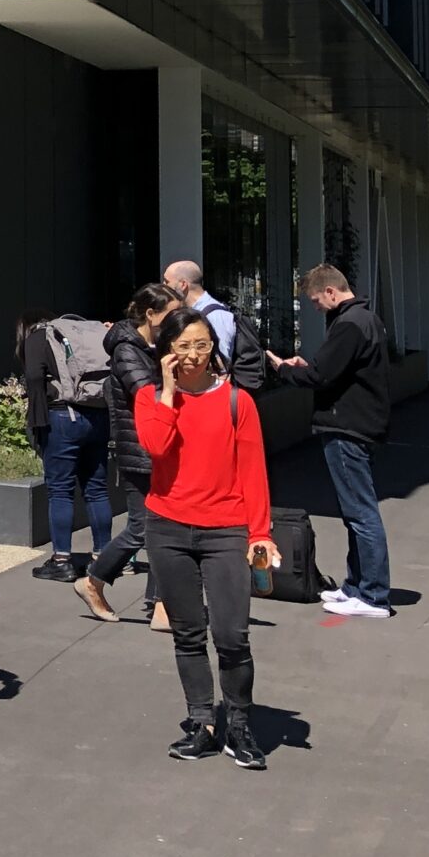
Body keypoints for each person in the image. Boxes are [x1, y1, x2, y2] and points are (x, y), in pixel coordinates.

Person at [137, 305, 276, 768]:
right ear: (166, 353)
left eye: (202, 344)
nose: (194, 355)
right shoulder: (150, 398)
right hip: (168, 526)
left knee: (232, 634)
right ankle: (203, 721)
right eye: (183, 347)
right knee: (188, 634)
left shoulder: (239, 401)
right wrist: (170, 393)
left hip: (226, 529)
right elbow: (156, 447)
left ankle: (238, 722)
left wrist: (261, 532)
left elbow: (254, 471)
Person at [271, 263, 394, 618]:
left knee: (360, 513)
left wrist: (284, 369)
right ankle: (357, 586)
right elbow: (331, 371)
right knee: (355, 511)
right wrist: (306, 368)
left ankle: (373, 595)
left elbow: (321, 375)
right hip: (358, 423)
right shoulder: (364, 319)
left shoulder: (349, 325)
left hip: (346, 427)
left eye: (314, 301)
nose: (315, 308)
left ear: (330, 292)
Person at [78, 282, 180, 625]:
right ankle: (93, 580)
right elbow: (145, 392)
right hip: (139, 448)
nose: (176, 322)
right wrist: (171, 375)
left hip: (157, 445)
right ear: (150, 315)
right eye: (170, 315)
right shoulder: (126, 348)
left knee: (160, 524)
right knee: (143, 527)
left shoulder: (151, 344)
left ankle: (160, 603)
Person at [18, 312, 112, 582]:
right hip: (98, 413)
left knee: (60, 491)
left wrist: (36, 419)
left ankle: (61, 560)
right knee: (96, 488)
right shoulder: (84, 331)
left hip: (63, 417)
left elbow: (35, 376)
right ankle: (103, 557)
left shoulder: (37, 335)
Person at [163, 260, 266, 389]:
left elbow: (220, 367)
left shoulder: (215, 316)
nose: (163, 287)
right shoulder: (200, 313)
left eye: (167, 282)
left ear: (183, 285)